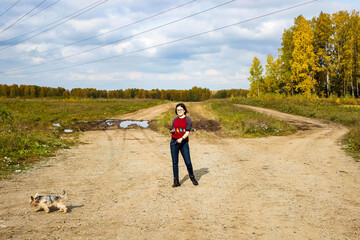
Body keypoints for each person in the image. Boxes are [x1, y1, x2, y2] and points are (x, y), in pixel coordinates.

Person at [170, 103, 198, 187]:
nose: (179, 111)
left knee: (188, 162)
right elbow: (173, 129)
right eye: (177, 110)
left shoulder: (187, 120)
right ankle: (176, 181)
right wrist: (172, 131)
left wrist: (181, 139)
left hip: (183, 143)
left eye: (181, 110)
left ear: (184, 110)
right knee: (175, 162)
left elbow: (187, 132)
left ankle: (192, 177)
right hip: (174, 142)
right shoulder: (175, 120)